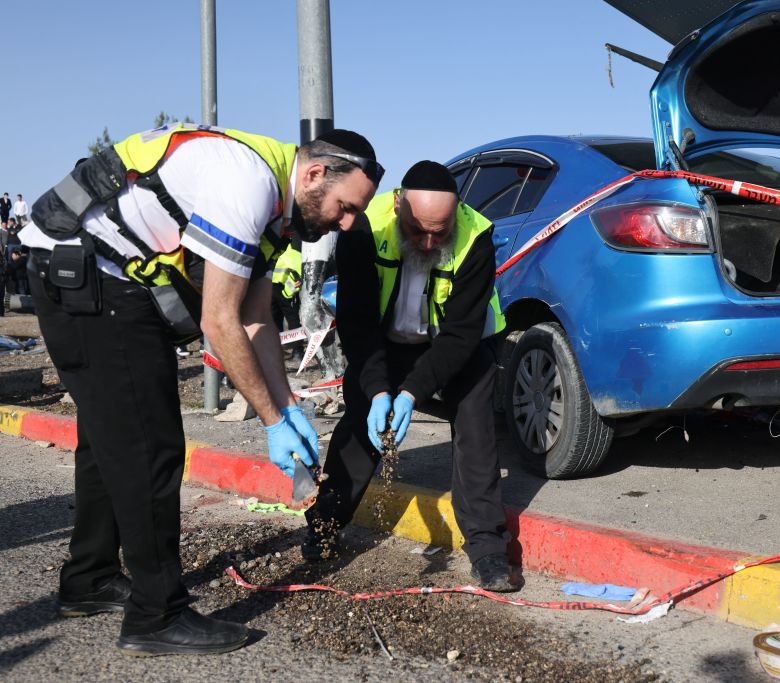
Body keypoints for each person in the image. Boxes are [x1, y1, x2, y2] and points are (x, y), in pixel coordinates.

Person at [18, 122, 382, 655]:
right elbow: (219, 320)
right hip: (90, 278)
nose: (346, 224)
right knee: (150, 446)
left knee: (109, 437)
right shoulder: (248, 183)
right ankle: (156, 615)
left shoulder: (276, 203)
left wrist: (287, 404)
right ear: (316, 174)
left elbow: (257, 318)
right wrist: (271, 421)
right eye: (345, 207)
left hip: (92, 274)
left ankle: (90, 578)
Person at [303, 160, 519, 592]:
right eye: (419, 228)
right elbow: (357, 322)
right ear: (399, 204)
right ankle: (325, 524)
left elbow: (460, 334)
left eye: (440, 231)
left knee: (476, 428)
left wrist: (412, 394)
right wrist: (382, 390)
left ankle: (488, 548)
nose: (428, 241)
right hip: (384, 341)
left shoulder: (476, 236)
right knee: (361, 419)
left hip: (459, 344)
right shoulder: (364, 226)